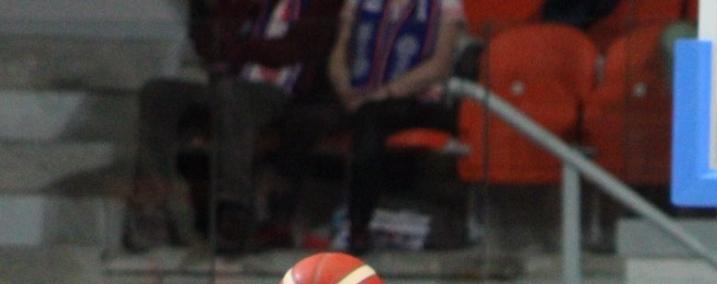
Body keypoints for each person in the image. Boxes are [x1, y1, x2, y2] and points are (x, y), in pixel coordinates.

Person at [124, 0, 342, 254]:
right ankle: (151, 207)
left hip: (278, 95)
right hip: (229, 86)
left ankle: (233, 209)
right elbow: (211, 45)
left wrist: (240, 47)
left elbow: (291, 50)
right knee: (158, 93)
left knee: (232, 94)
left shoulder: (321, 6)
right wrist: (228, 40)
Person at [327, 0, 465, 254]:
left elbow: (439, 65)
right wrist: (344, 88)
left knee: (371, 119)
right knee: (307, 119)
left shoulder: (444, 4)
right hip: (361, 98)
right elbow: (340, 52)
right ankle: (277, 223)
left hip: (417, 100)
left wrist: (385, 93)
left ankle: (359, 224)